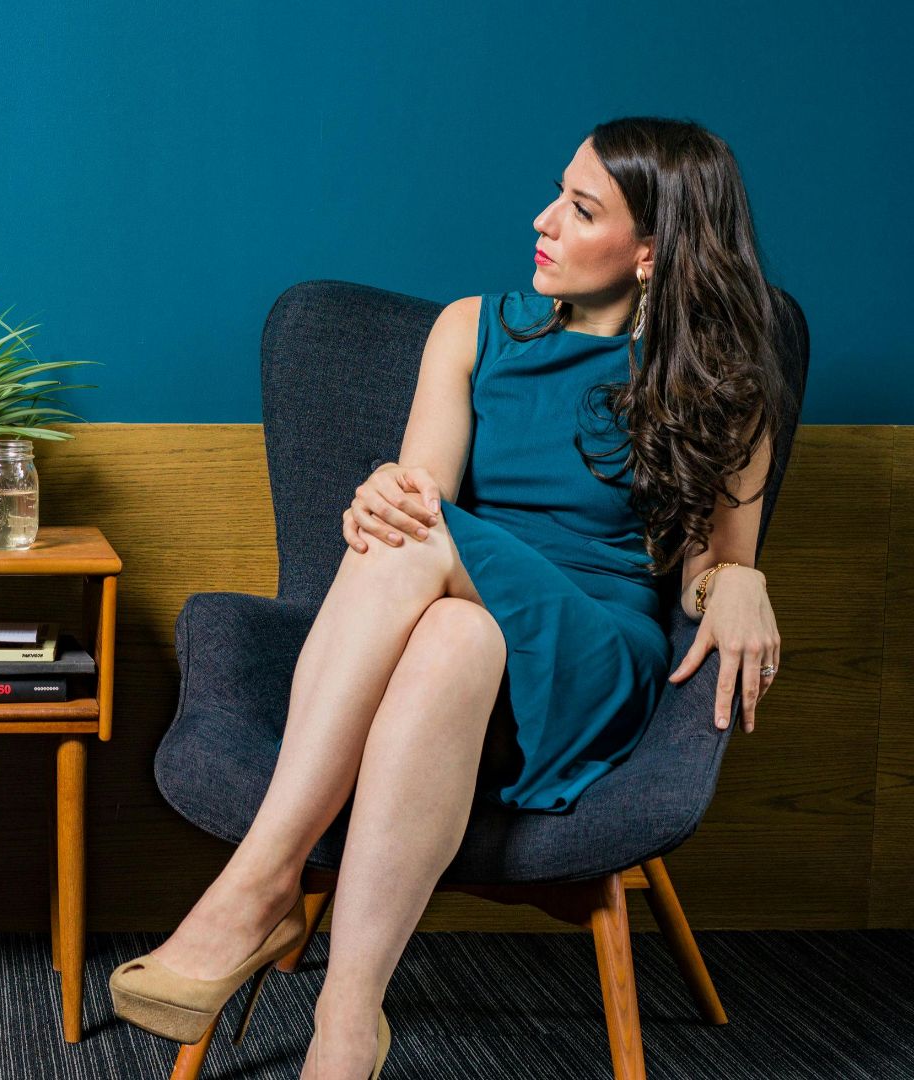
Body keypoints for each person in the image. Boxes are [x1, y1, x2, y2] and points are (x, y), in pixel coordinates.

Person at [110, 117, 790, 1079]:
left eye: (581, 208)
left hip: (596, 647)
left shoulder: (724, 385)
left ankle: (256, 886)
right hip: (474, 632)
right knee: (452, 634)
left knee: (425, 544)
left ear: (651, 252)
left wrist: (744, 578)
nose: (543, 219)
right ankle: (349, 1021)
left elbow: (708, 571)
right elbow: (414, 500)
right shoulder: (471, 328)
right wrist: (381, 493)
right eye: (558, 190)